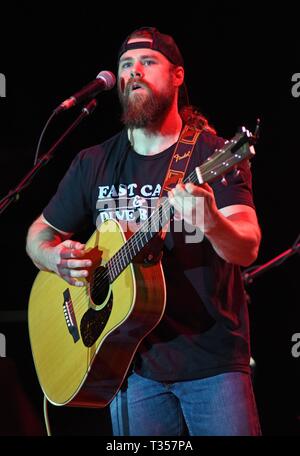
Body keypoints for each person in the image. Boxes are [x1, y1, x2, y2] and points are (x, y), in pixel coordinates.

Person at [26, 26, 262, 436]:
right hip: (129, 365)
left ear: (177, 76)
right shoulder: (94, 161)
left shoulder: (211, 153)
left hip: (213, 365)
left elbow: (247, 247)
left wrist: (212, 222)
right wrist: (54, 258)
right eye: (125, 65)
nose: (134, 71)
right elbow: (37, 235)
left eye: (148, 62)